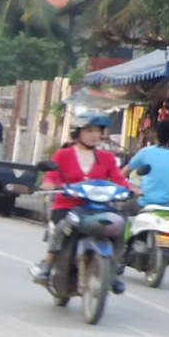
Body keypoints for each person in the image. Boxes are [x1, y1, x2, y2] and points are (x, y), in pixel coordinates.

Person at [34, 113, 133, 291]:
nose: (95, 135)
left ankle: (112, 271)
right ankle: (47, 267)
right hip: (67, 206)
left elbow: (119, 179)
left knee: (119, 227)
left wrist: (132, 189)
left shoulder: (107, 157)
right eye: (89, 131)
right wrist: (48, 184)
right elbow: (52, 176)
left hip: (99, 208)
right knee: (62, 228)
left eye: (98, 131)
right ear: (77, 132)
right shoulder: (63, 154)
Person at [128, 120, 169, 206]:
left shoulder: (145, 152)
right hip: (167, 205)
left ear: (156, 135)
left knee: (125, 209)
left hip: (145, 203)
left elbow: (126, 170)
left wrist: (128, 187)